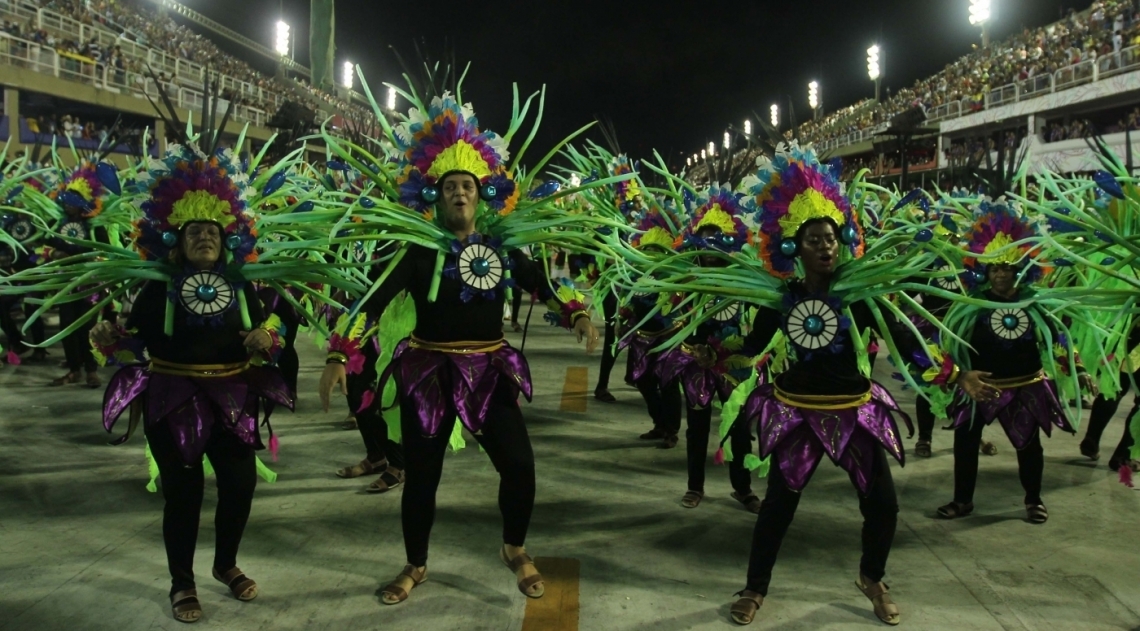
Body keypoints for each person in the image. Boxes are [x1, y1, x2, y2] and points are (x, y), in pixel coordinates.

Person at [318, 87, 601, 606]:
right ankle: (415, 564)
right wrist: (340, 354)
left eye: (467, 184)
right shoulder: (418, 251)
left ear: (482, 193)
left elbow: (542, 284)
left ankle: (513, 547)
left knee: (519, 466)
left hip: (489, 370)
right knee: (423, 476)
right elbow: (372, 303)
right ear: (435, 195)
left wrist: (576, 313)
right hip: (429, 373)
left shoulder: (502, 248)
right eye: (449, 185)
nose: (459, 193)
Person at [87, 147, 295, 623]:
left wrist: (268, 337)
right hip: (172, 398)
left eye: (213, 233)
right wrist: (108, 339)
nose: (204, 237)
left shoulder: (245, 288)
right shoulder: (156, 289)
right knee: (184, 495)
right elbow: (128, 341)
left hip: (231, 397)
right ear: (176, 245)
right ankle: (182, 583)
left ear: (227, 244)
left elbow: (276, 337)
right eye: (194, 232)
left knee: (240, 484)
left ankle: (225, 565)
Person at [936, 204, 1098, 524]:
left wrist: (1078, 370)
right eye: (994, 268)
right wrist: (956, 374)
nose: (999, 274)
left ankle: (1033, 500)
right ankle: (962, 500)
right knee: (965, 442)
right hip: (982, 387)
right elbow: (950, 342)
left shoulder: (1034, 305)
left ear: (1021, 271)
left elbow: (1058, 340)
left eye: (1007, 268)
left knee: (1029, 445)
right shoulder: (973, 306)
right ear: (985, 270)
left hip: (1026, 385)